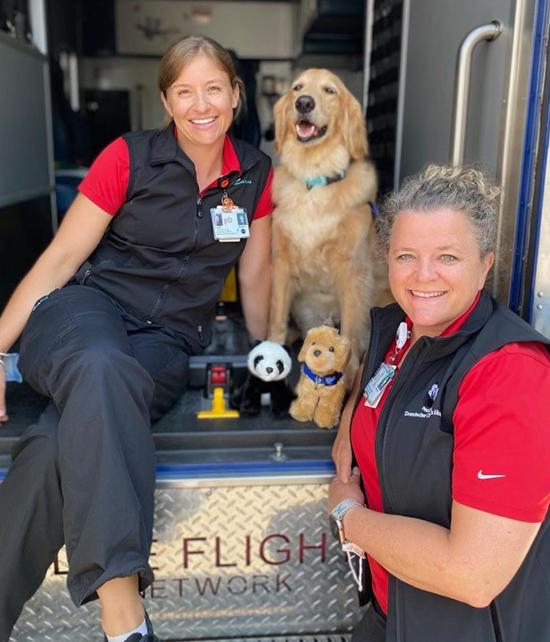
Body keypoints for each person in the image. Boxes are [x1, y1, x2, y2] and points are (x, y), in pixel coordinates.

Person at [0, 35, 273, 642]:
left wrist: (268, 352)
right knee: (101, 363)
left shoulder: (256, 173)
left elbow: (256, 274)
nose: (200, 104)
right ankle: (123, 611)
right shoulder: (128, 157)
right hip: (84, 311)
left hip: (166, 341)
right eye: (184, 92)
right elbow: (59, 259)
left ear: (235, 94)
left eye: (212, 88)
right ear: (167, 102)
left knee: (52, 448)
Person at [329, 166, 550, 641]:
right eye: (406, 255)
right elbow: (384, 383)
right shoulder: (397, 329)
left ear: (486, 263)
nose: (423, 275)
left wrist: (350, 519)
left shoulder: (508, 373)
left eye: (447, 256)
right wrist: (352, 416)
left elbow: (472, 574)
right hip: (391, 616)